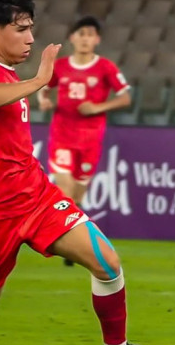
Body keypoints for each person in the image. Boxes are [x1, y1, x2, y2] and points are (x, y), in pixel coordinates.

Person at [0, 0, 171, 345]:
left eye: (31, 28)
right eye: (21, 28)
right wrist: (41, 79)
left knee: (107, 261)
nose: (30, 37)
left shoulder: (11, 75)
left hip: (36, 195)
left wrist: (34, 81)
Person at [37, 16, 131, 267]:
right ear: (72, 38)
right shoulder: (61, 66)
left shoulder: (106, 68)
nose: (85, 38)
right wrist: (43, 100)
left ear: (97, 39)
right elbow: (43, 85)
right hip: (62, 135)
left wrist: (99, 106)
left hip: (90, 139)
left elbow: (125, 98)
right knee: (65, 190)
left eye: (90, 34)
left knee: (78, 196)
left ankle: (76, 241)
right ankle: (70, 247)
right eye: (81, 33)